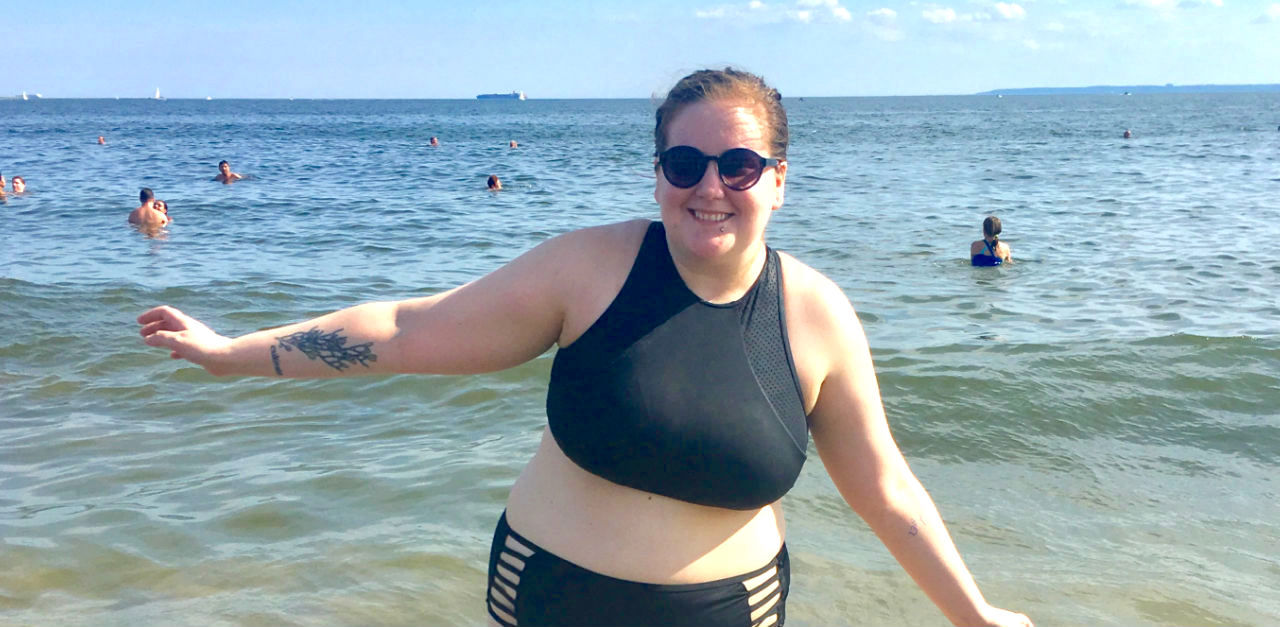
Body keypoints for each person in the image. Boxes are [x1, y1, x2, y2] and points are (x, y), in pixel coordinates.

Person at [136, 68, 1032, 627]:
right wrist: (233, 351)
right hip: (549, 593)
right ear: (658, 174)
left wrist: (974, 614)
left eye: (739, 165)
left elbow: (886, 488)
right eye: (684, 165)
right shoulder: (590, 268)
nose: (710, 187)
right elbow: (409, 330)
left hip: (733, 609)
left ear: (778, 181)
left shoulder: (816, 315)